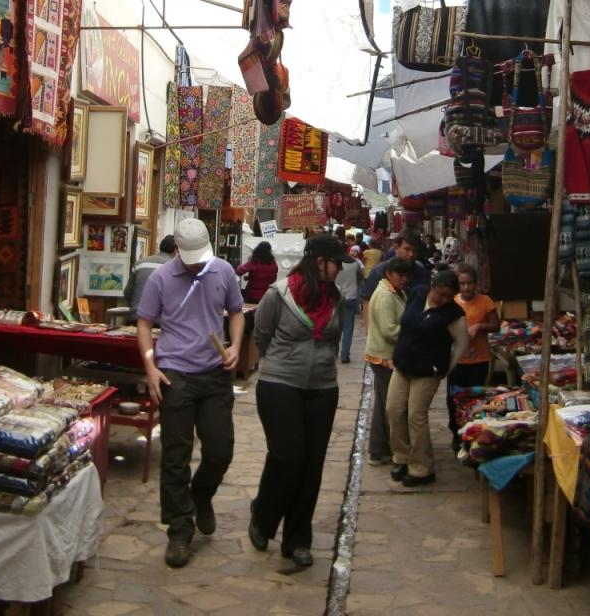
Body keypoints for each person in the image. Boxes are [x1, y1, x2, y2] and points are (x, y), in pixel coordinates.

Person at [137, 217, 245, 568]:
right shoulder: (160, 278)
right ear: (178, 251)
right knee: (175, 455)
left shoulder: (223, 271)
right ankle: (179, 530)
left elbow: (236, 312)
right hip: (175, 373)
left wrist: (235, 346)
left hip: (214, 373)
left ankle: (200, 495)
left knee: (220, 449)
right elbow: (144, 322)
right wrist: (151, 367)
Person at [250, 234, 347, 569]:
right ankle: (263, 514)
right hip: (279, 383)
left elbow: (335, 340)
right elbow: (262, 334)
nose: (340, 270)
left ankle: (297, 538)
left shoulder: (337, 298)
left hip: (322, 387)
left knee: (311, 465)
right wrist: (284, 362)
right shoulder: (279, 293)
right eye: (336, 263)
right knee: (287, 457)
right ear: (319, 262)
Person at [386, 269, 468, 487]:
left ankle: (421, 468)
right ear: (433, 286)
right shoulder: (417, 293)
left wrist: (446, 368)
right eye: (440, 293)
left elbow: (462, 344)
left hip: (428, 370)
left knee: (416, 416)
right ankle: (402, 457)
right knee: (394, 409)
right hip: (403, 363)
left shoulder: (454, 313)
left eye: (449, 296)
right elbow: (407, 321)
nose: (443, 299)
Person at [362, 258, 412, 466]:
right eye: (400, 275)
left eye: (406, 275)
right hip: (384, 357)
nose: (404, 279)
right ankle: (388, 448)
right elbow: (389, 330)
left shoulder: (396, 292)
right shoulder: (385, 295)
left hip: (389, 356)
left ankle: (379, 448)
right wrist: (413, 329)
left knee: (384, 403)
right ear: (389, 274)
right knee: (390, 405)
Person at [446, 264, 500, 454]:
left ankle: (472, 435)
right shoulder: (451, 302)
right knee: (453, 398)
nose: (466, 287)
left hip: (479, 360)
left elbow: (496, 325)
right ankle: (456, 434)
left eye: (469, 283)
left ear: (475, 284)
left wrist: (479, 327)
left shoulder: (485, 301)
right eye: (462, 284)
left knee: (475, 400)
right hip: (456, 360)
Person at [124, 235, 176, 317]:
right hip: (160, 319)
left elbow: (127, 293)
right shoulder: (174, 267)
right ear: (175, 251)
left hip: (135, 315)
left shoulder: (140, 263)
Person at [336, 248, 364, 363]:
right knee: (348, 327)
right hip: (351, 297)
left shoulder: (334, 262)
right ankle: (344, 355)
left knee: (335, 326)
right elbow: (360, 277)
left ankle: (334, 351)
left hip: (337, 296)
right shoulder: (355, 263)